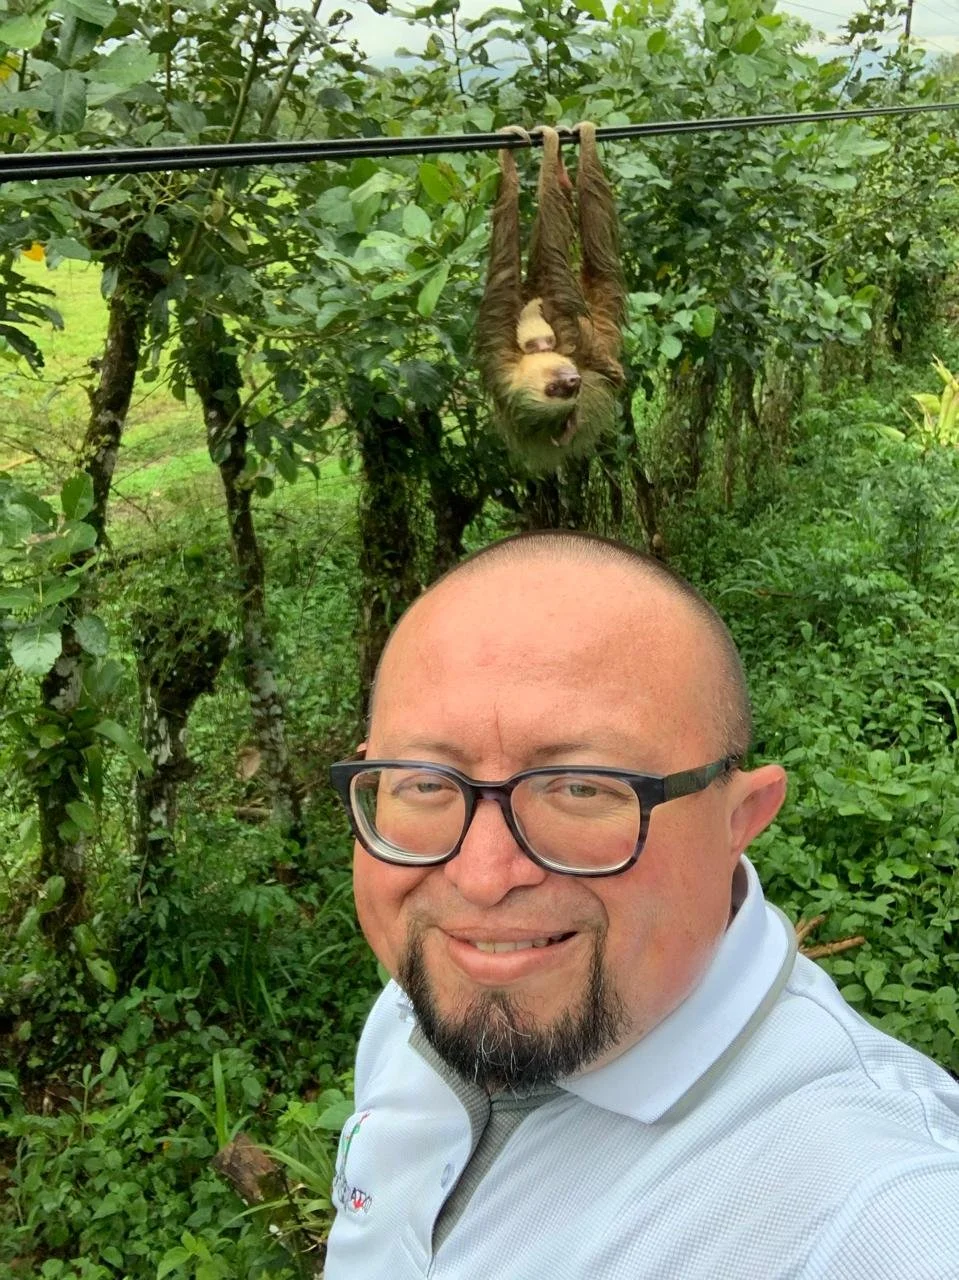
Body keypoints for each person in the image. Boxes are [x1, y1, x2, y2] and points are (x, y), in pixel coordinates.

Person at [324, 530, 959, 1280]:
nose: (483, 879)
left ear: (740, 818)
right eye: (426, 782)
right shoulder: (423, 1002)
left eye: (582, 788)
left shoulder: (873, 1212)